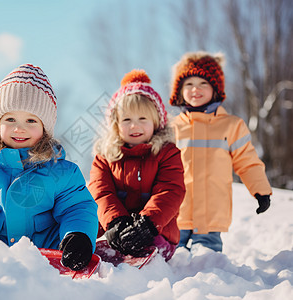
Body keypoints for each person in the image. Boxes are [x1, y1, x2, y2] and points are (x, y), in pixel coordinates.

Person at [0, 64, 98, 271]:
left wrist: (78, 236)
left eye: (30, 120)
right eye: (10, 119)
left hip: (50, 261)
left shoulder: (62, 172)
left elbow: (77, 208)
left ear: (45, 129)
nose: (19, 128)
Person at [169, 51, 272, 253]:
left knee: (207, 265)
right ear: (179, 90)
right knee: (171, 262)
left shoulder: (231, 126)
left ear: (215, 89)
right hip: (175, 213)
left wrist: (261, 191)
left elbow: (247, 162)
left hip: (210, 215)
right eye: (188, 84)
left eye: (203, 84)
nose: (195, 89)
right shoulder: (170, 128)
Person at [88, 70, 186, 261]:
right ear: (116, 124)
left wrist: (147, 225)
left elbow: (170, 191)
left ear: (156, 122)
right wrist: (116, 222)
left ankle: (148, 254)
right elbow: (101, 193)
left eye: (142, 119)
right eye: (127, 120)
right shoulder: (104, 157)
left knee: (152, 241)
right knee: (92, 233)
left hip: (157, 231)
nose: (134, 126)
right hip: (115, 231)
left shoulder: (167, 153)